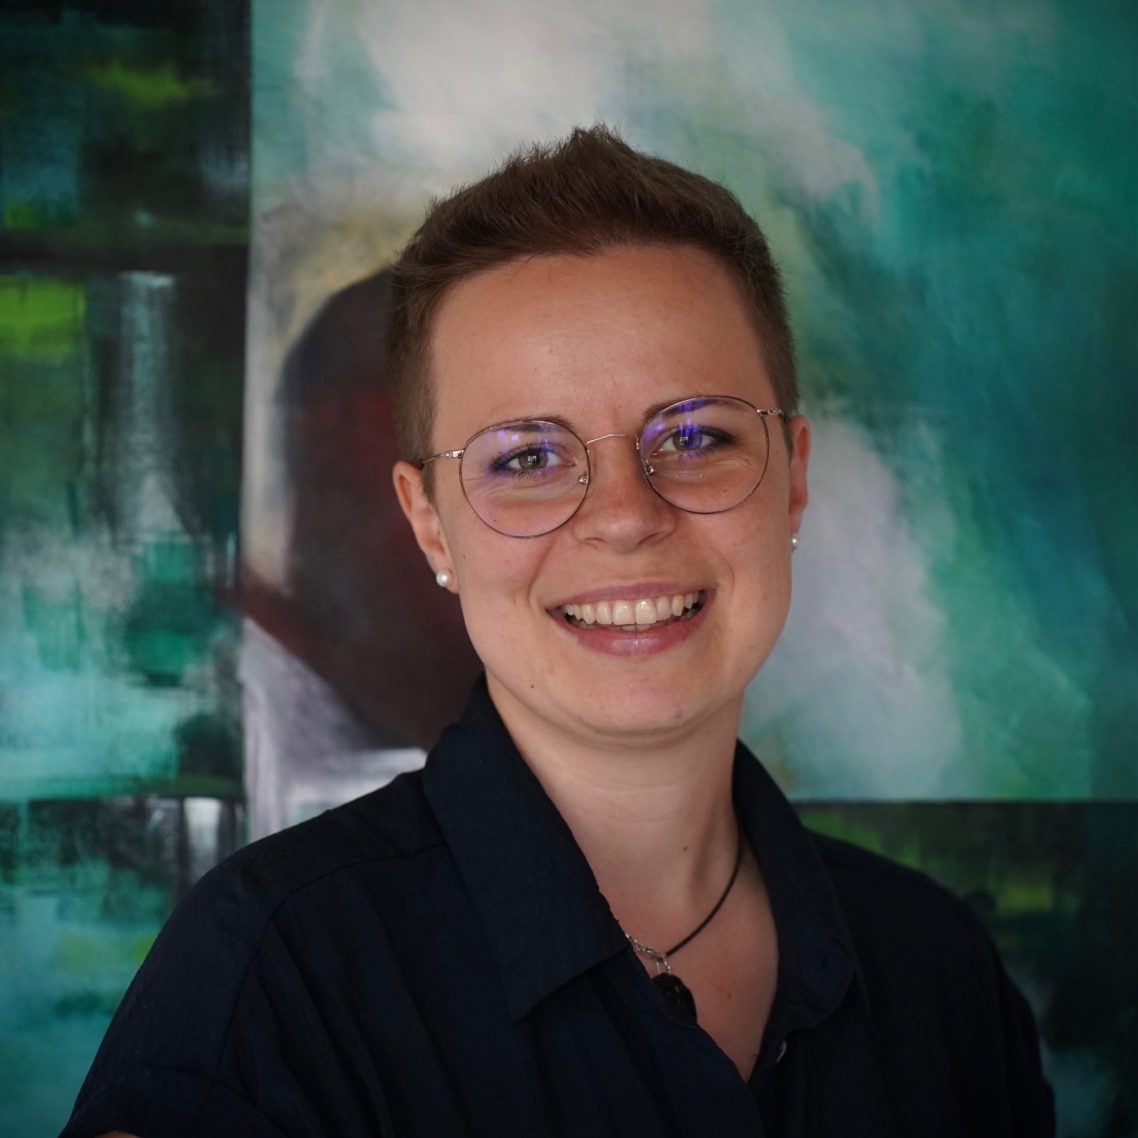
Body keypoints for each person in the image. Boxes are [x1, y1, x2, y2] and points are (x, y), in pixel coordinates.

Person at [62, 127, 1054, 1138]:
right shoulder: (268, 978)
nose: (624, 516)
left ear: (792, 479)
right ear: (431, 525)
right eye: (527, 458)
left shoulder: (944, 975)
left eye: (695, 436)